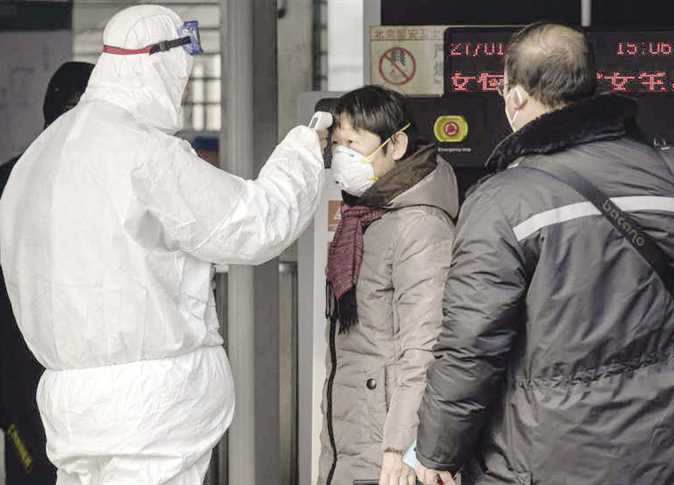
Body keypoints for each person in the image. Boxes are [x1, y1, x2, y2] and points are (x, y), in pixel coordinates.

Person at [0, 5, 325, 485]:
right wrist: (305, 150)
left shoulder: (36, 158)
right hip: (148, 405)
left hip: (69, 402)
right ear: (160, 63)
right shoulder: (143, 151)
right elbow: (253, 224)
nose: (186, 87)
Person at [414, 23, 674, 485]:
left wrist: (435, 453)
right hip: (658, 453)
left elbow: (471, 344)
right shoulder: (664, 175)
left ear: (515, 96)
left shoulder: (503, 201)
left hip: (548, 456)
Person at [318, 85, 458, 485]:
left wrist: (401, 447)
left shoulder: (420, 225)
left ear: (395, 145)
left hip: (389, 455)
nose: (341, 154)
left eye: (353, 142)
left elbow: (426, 347)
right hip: (354, 440)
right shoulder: (364, 219)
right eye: (337, 143)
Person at [0, 60, 93, 485]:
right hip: (25, 370)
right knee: (38, 469)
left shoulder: (109, 181)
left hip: (86, 374)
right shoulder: (10, 182)